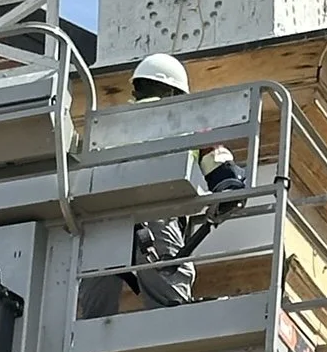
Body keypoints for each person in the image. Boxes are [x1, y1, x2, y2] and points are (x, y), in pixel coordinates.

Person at [78, 53, 246, 318]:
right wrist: (229, 190)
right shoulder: (186, 121)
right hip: (156, 220)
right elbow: (222, 169)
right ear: (174, 92)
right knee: (171, 308)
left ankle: (87, 339)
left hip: (102, 223)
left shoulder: (109, 126)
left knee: (93, 310)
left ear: (137, 88)